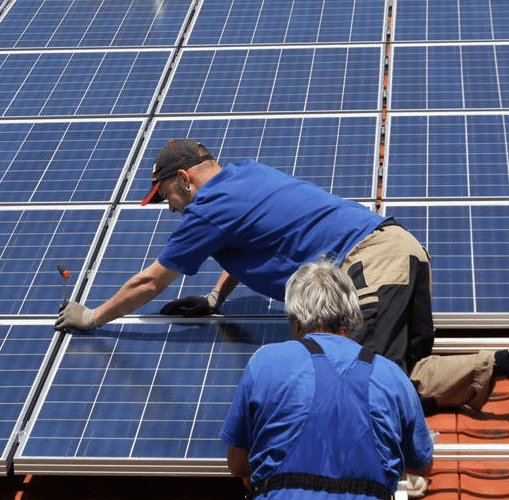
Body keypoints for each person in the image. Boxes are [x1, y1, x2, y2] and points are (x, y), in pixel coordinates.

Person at [56, 138, 509, 411]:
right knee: (400, 376)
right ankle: (498, 366)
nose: (167, 207)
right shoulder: (247, 176)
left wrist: (92, 317)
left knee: (365, 384)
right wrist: (216, 299)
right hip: (398, 253)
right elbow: (258, 238)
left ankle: (387, 474)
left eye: (165, 196)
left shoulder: (207, 208)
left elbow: (149, 283)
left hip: (370, 265)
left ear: (186, 180)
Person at [221, 256, 433, 499]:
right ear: (351, 319)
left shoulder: (265, 362)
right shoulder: (392, 376)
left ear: (298, 320)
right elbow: (421, 465)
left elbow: (237, 464)